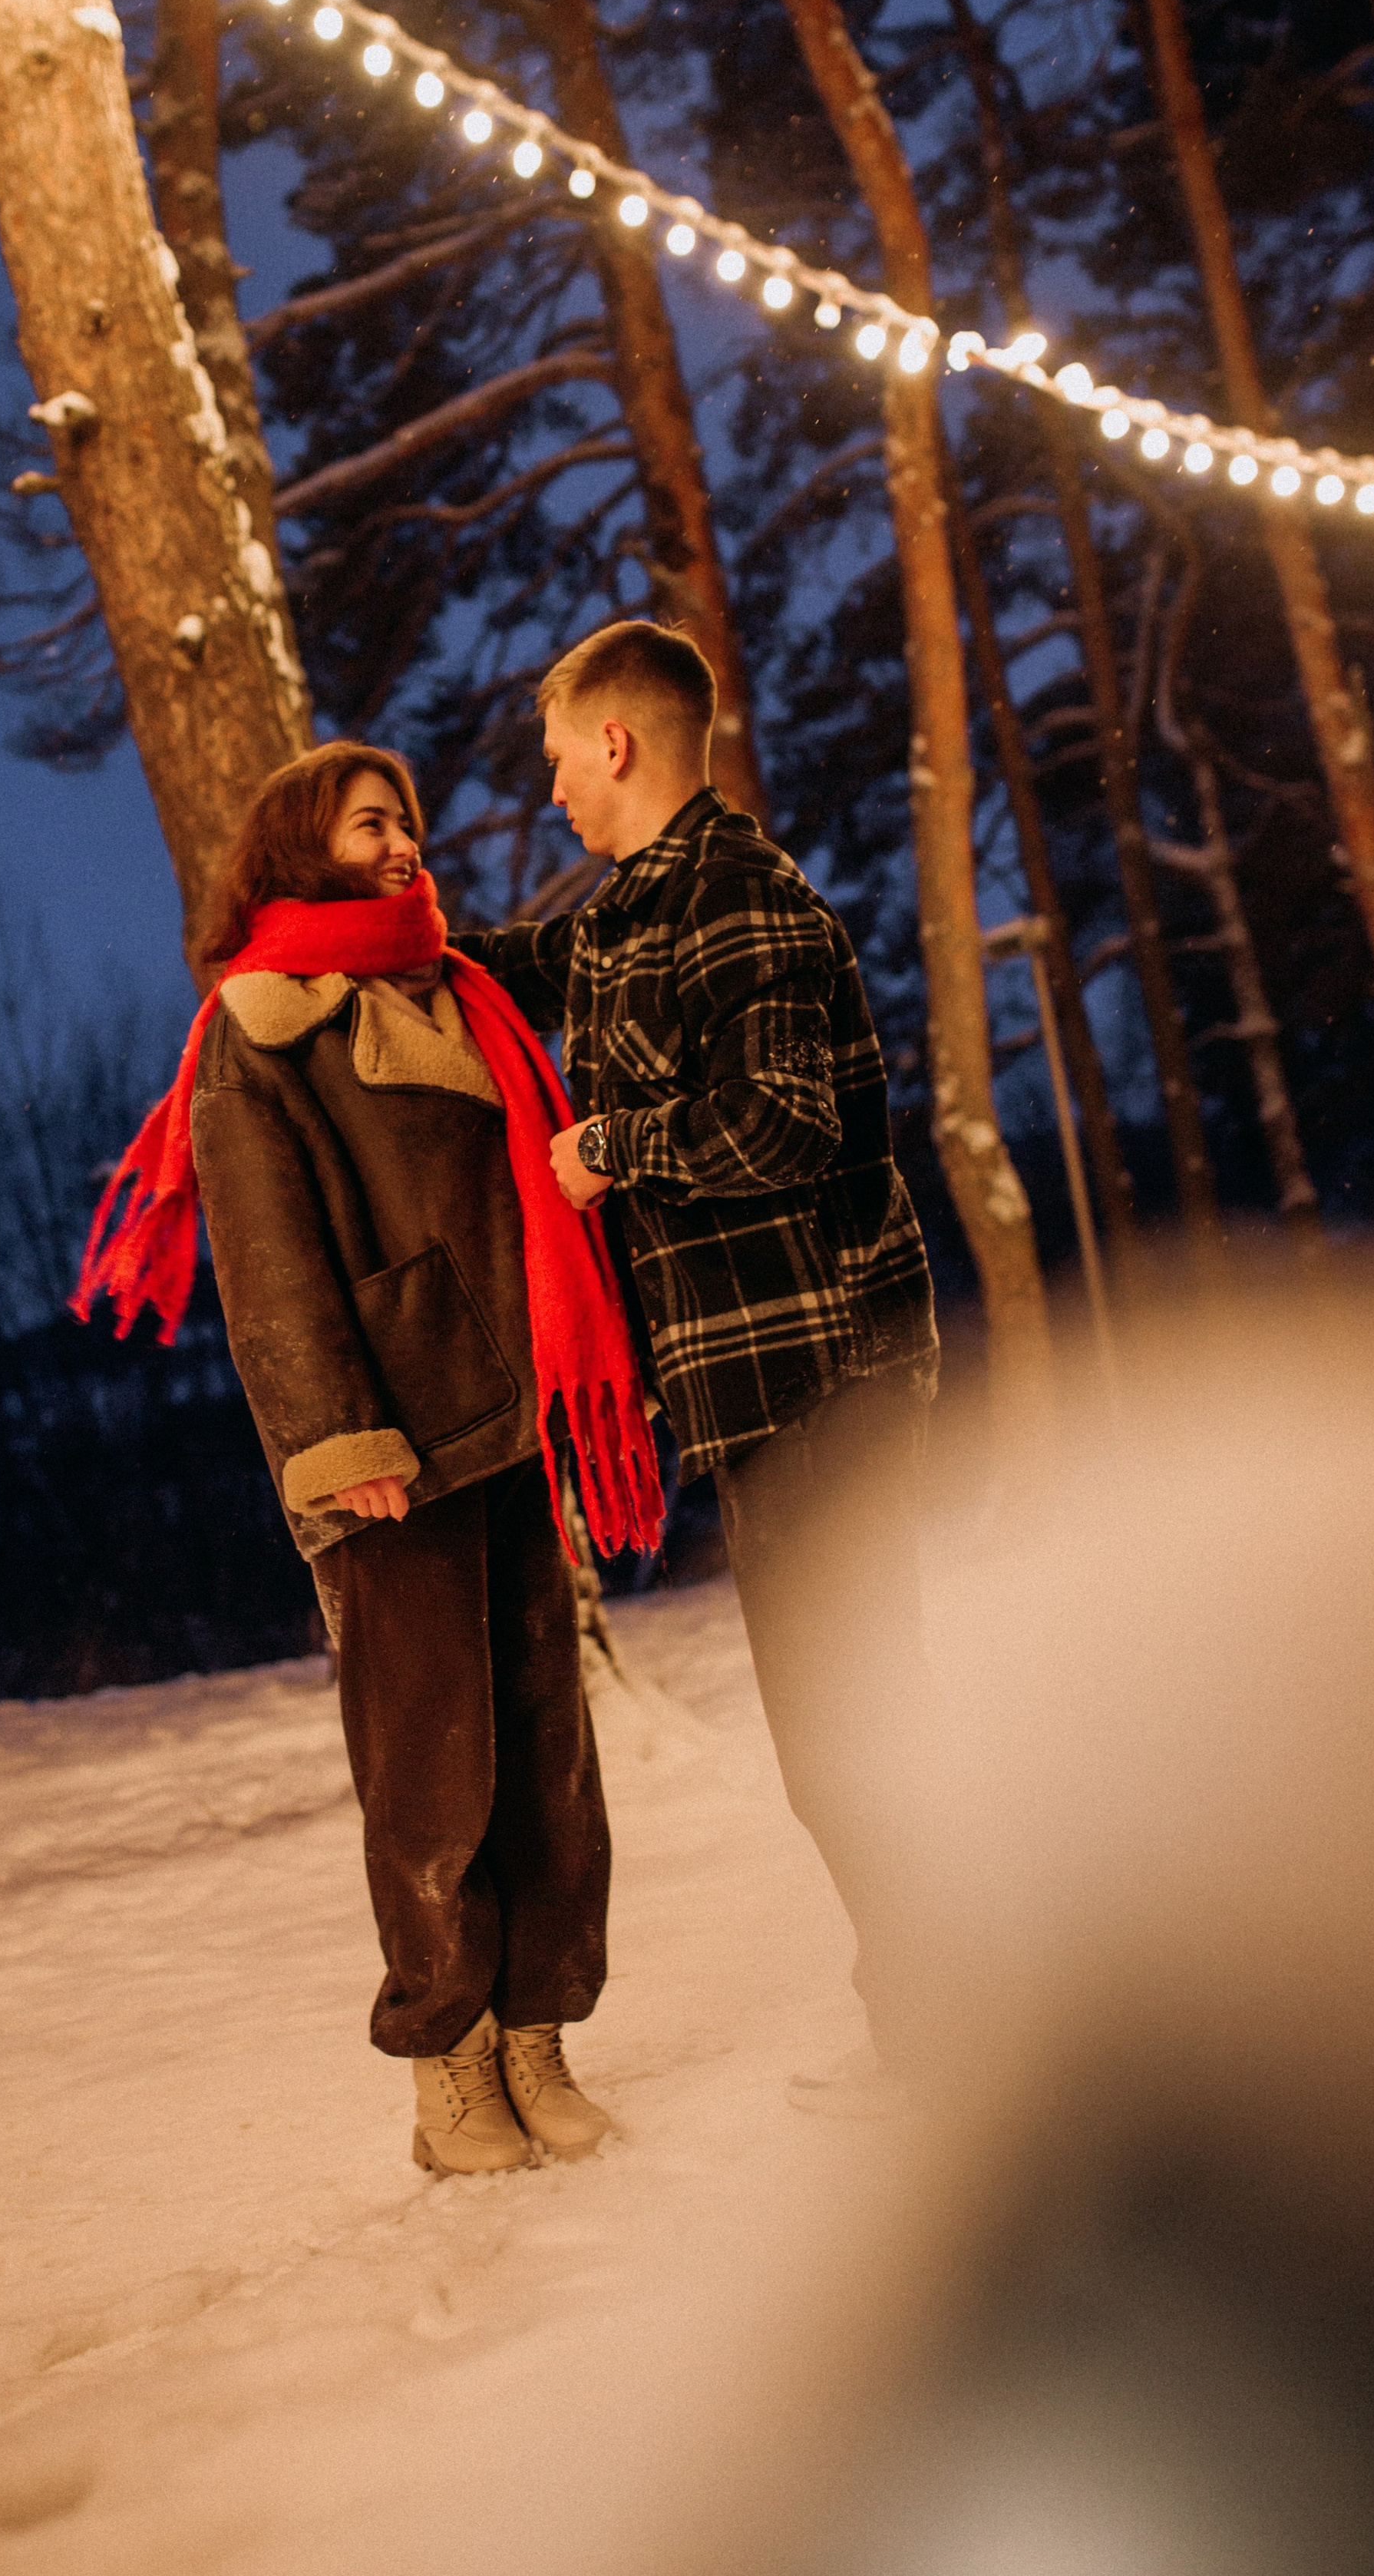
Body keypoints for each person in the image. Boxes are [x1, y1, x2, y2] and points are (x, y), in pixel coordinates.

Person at [73, 741, 665, 2176]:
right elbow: (267, 1266)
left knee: (547, 1754)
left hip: (512, 1425)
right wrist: (338, 1442)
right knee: (428, 1776)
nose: (403, 846)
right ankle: (449, 2071)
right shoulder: (260, 1027)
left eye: (404, 822)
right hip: (388, 1450)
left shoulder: (461, 992)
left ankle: (540, 2034)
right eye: (368, 827)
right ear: (300, 850)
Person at [457, 622, 939, 2117]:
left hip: (822, 1375)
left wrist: (610, 1148)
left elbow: (777, 1123)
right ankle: (952, 2026)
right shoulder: (632, 918)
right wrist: (388, 932)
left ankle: (967, 2041)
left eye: (554, 759)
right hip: (752, 1389)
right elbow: (526, 964)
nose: (546, 792)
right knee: (843, 1736)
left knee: (859, 1734)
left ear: (616, 742)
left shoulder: (740, 900)